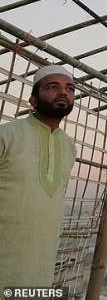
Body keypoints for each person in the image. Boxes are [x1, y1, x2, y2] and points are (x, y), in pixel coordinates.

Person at [0, 65, 78, 289]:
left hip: (40, 265)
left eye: (70, 89)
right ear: (33, 100)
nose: (63, 92)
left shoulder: (69, 146)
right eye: (53, 87)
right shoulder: (6, 135)